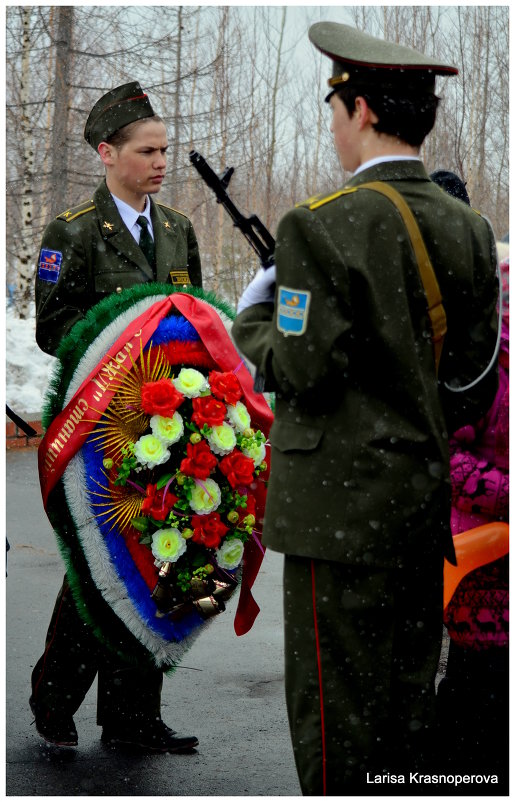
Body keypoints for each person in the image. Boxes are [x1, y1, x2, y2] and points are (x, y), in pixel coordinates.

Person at [232, 23, 499, 795]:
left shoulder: (321, 223)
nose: (331, 126)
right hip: (417, 508)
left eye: (334, 108)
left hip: (335, 519)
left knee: (334, 713)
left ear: (359, 110)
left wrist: (253, 315)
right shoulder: (468, 228)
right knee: (402, 709)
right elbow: (471, 381)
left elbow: (298, 367)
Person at [31, 82, 201, 752]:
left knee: (157, 566)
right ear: (108, 152)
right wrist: (121, 341)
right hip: (99, 430)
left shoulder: (179, 231)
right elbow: (53, 329)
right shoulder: (73, 233)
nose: (161, 161)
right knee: (101, 569)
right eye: (147, 149)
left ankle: (133, 716)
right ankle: (55, 696)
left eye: (165, 149)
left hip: (164, 431)